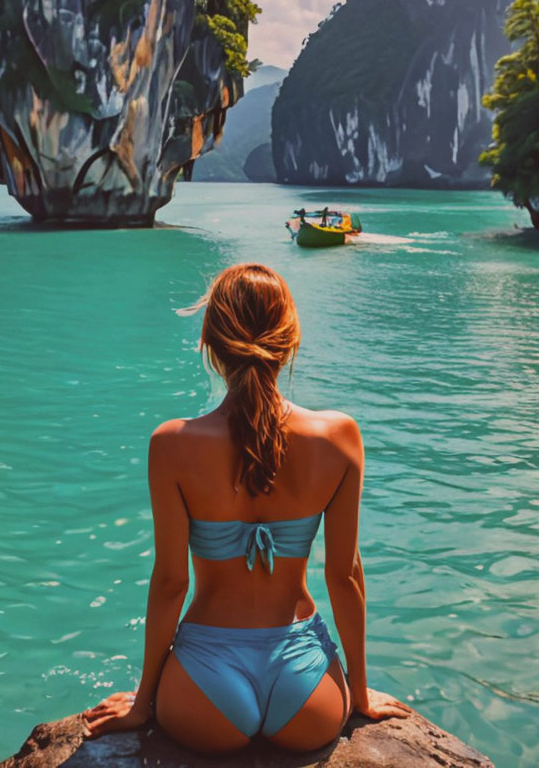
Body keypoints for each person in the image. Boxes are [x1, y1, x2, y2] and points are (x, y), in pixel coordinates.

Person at [80, 262, 412, 753]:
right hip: (308, 689)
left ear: (211, 346)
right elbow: (345, 576)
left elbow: (172, 583)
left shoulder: (172, 445)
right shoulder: (340, 437)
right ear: (290, 341)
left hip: (204, 685)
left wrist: (142, 700)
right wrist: (358, 693)